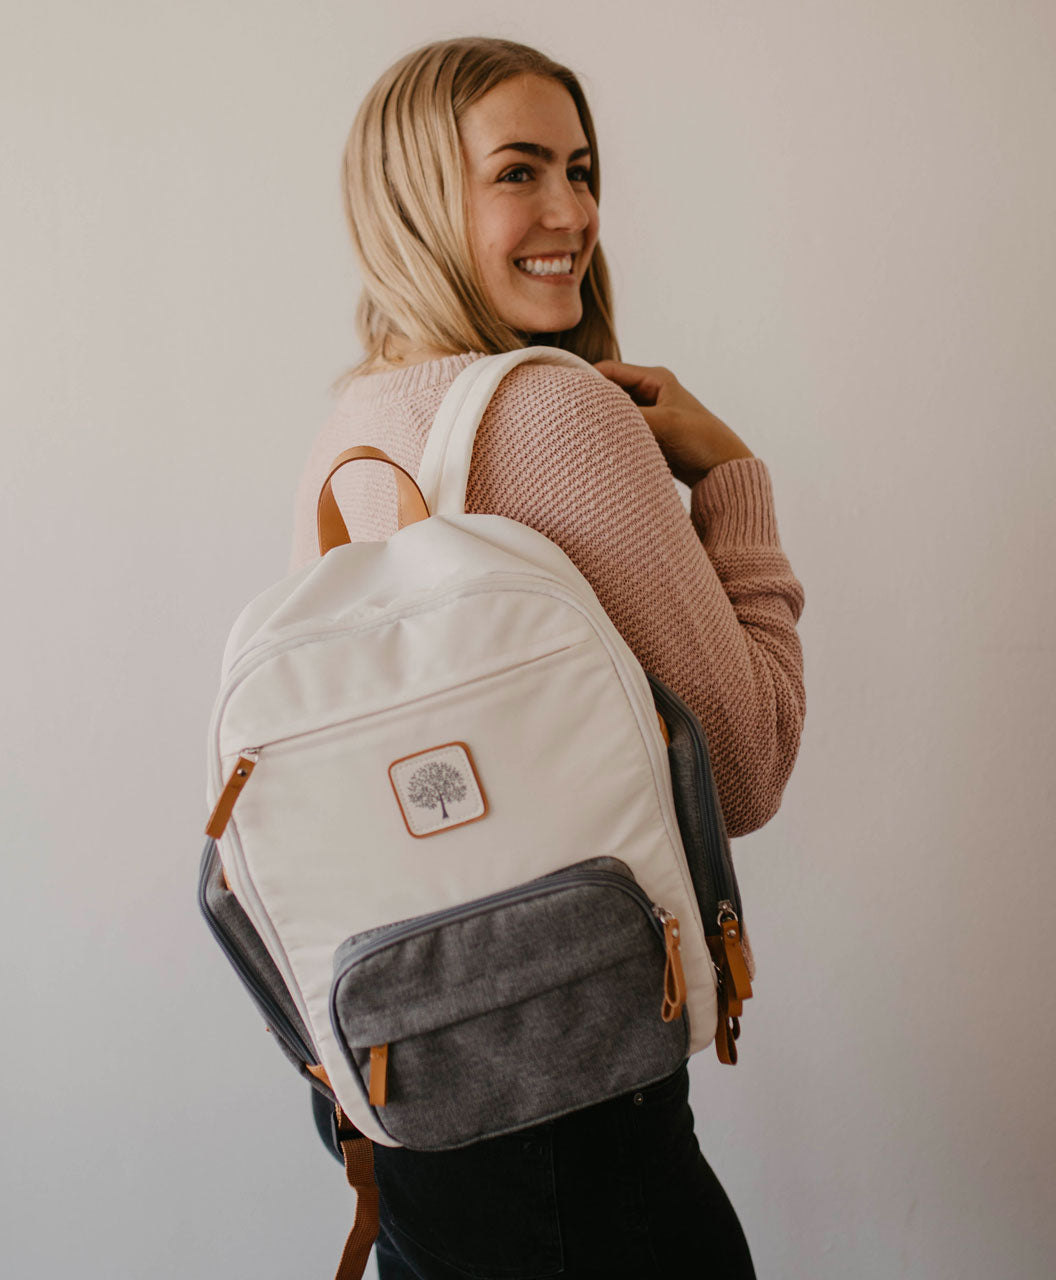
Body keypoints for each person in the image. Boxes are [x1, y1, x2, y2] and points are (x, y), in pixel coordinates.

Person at [288, 35, 805, 1280]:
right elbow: (742, 767)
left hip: (402, 1085)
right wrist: (731, 477)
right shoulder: (556, 412)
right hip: (571, 1111)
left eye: (580, 169)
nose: (568, 212)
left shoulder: (355, 420)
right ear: (419, 195)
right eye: (517, 172)